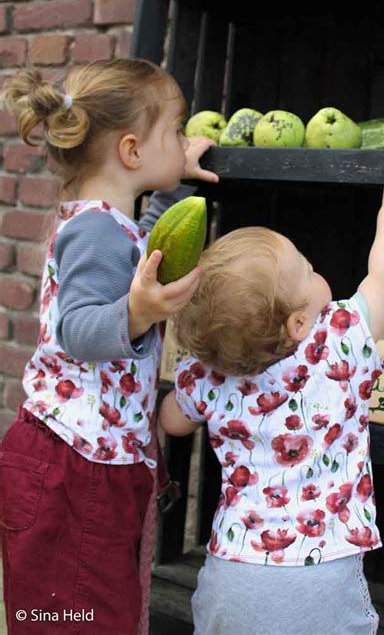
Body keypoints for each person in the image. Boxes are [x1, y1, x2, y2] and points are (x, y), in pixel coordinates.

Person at [159, 152, 384, 634]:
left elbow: (173, 422)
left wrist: (177, 394)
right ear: (299, 322)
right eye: (309, 269)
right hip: (319, 574)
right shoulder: (337, 340)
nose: (317, 269)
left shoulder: (208, 375)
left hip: (230, 573)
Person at [0, 58, 218, 634]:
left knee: (76, 614)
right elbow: (77, 327)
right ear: (131, 151)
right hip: (75, 469)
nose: (184, 139)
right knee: (77, 618)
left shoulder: (108, 220)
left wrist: (182, 176)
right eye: (175, 131)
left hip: (77, 462)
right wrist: (136, 312)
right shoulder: (97, 229)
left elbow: (147, 239)